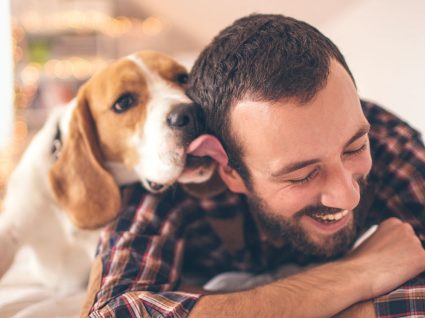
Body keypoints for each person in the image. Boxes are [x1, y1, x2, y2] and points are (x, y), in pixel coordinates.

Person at [85, 14, 425, 317]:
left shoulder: (387, 139)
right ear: (229, 169)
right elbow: (112, 312)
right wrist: (356, 274)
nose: (346, 196)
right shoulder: (178, 174)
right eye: (302, 175)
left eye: (354, 149)